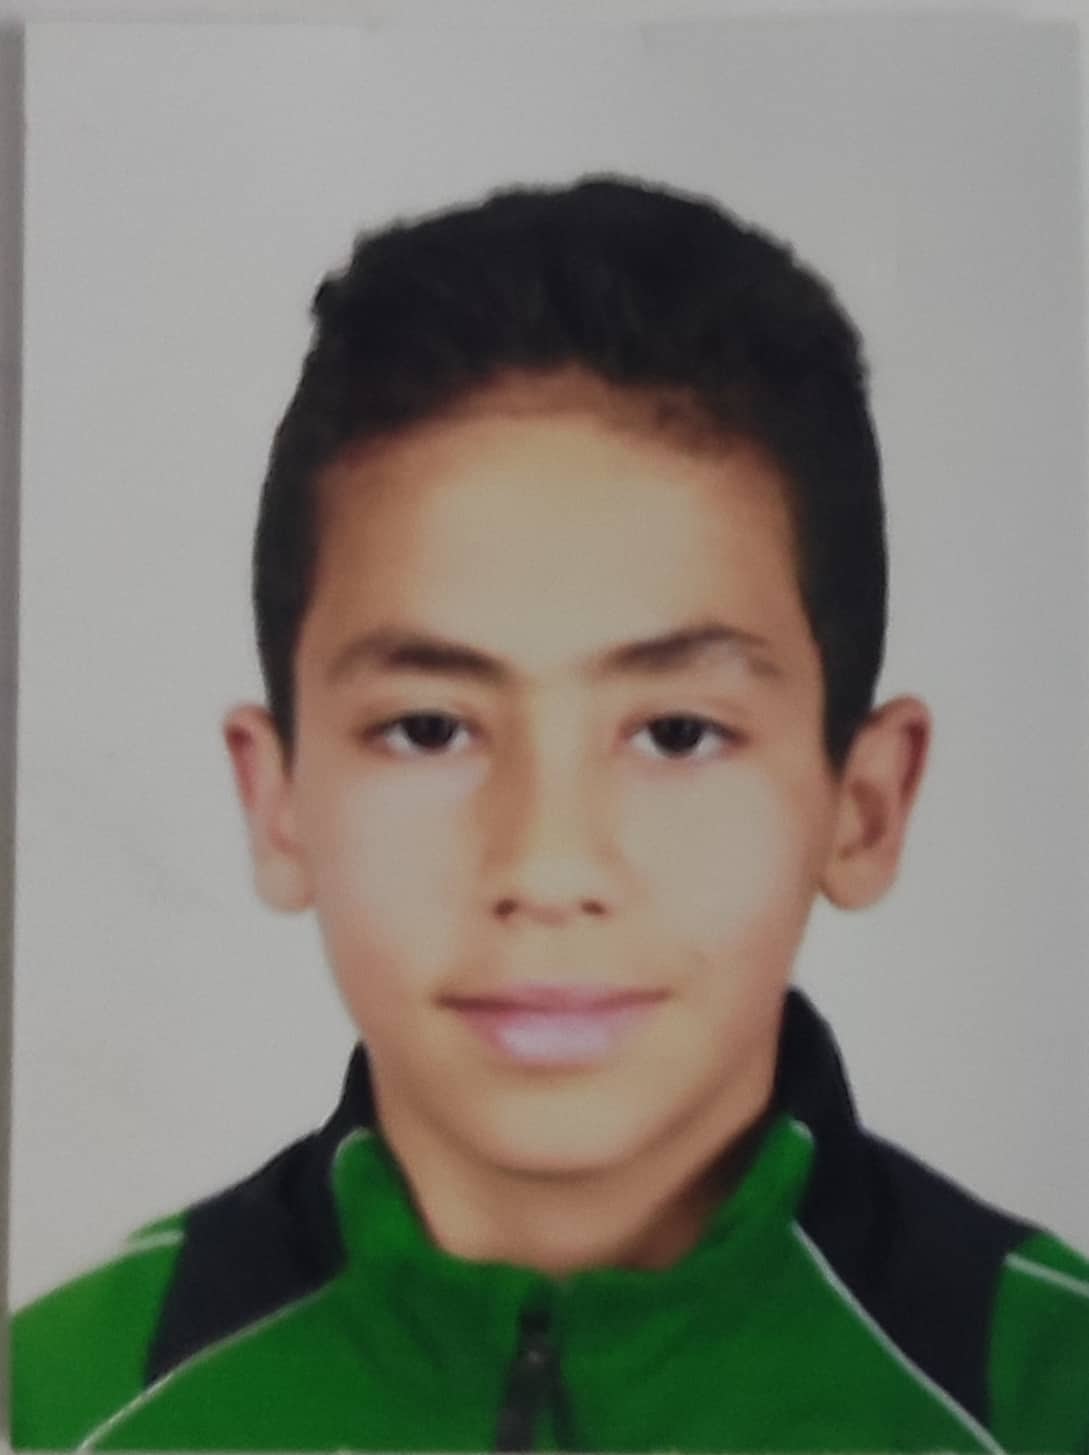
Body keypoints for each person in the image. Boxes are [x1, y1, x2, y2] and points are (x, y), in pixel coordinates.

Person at [10, 175, 1089, 1454]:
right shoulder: (65, 1400)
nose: (548, 864)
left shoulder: (1046, 1396)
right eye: (430, 728)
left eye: (677, 734)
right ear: (278, 799)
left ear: (863, 807)